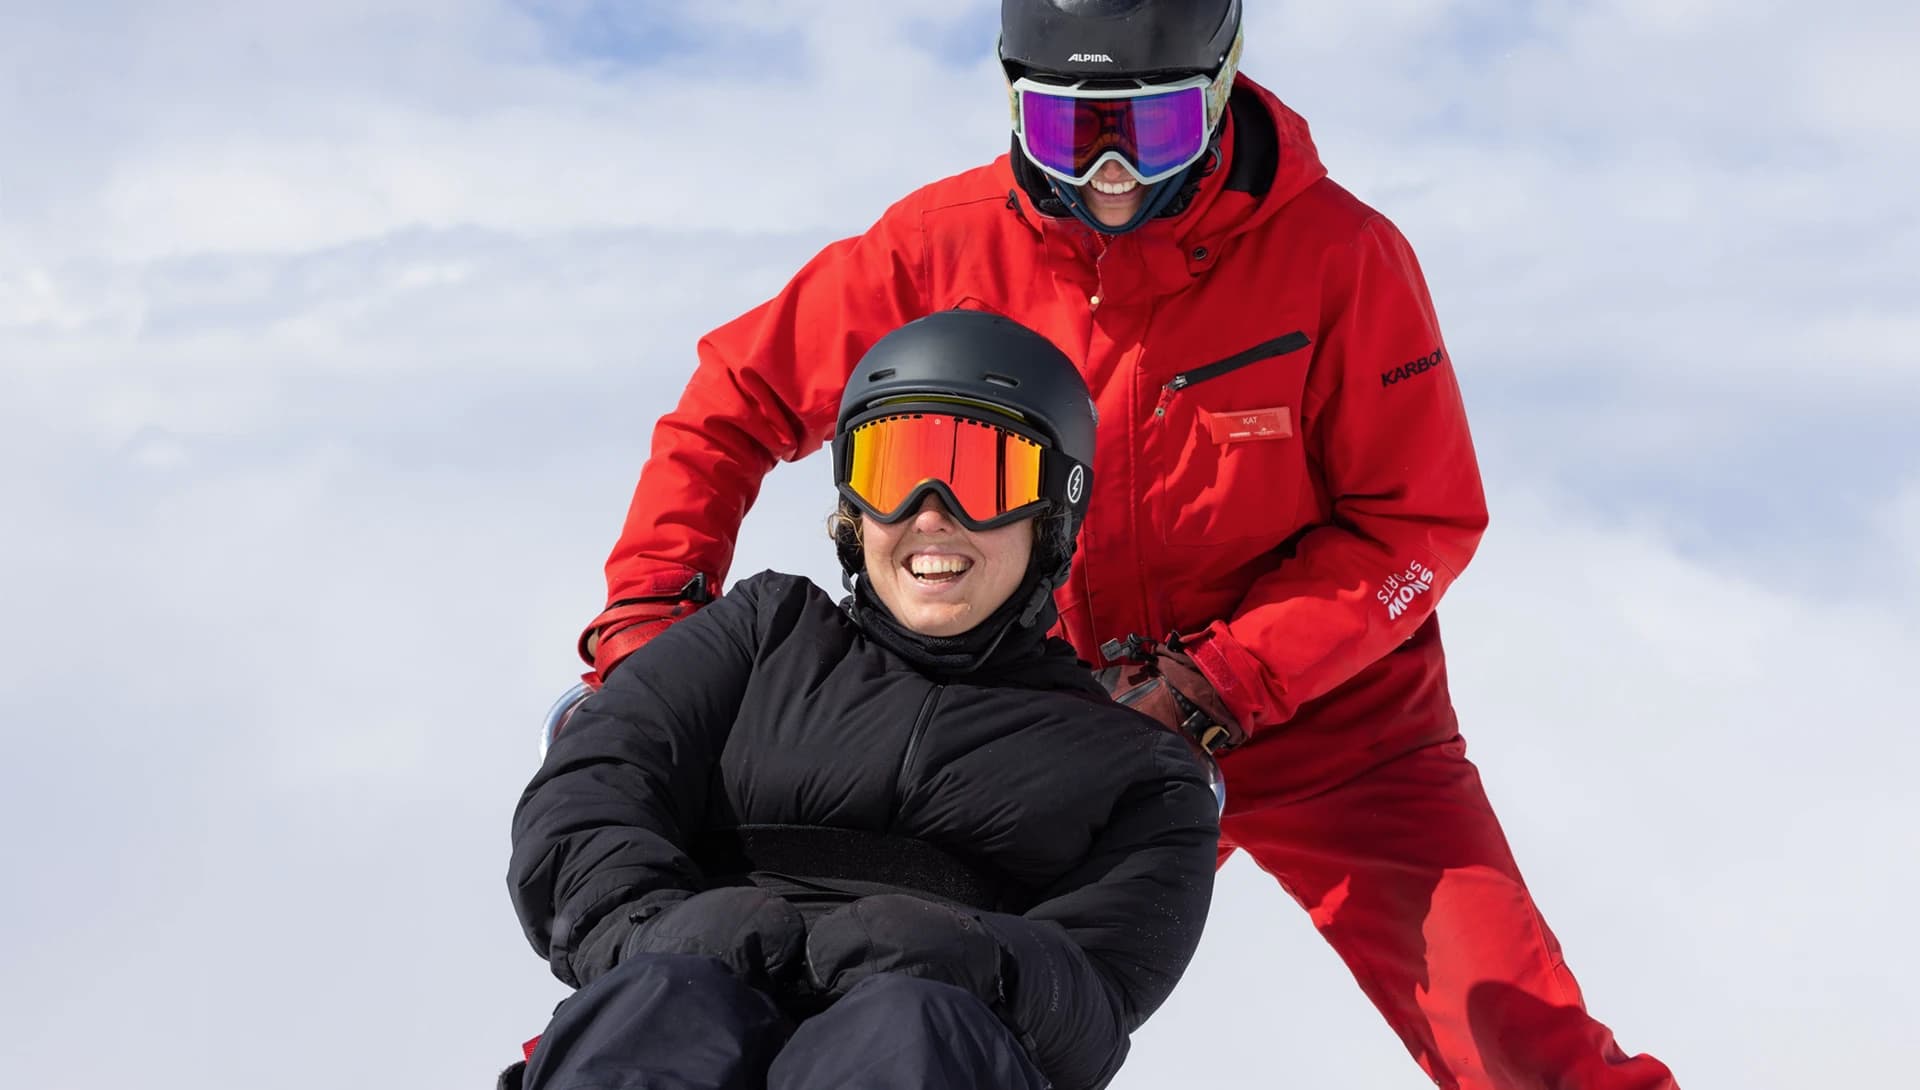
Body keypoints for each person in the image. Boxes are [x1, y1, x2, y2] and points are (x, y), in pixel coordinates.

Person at [567, 3, 1685, 1087]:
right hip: (1052, 724)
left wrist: (1219, 682)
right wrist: (649, 625)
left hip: (1335, 729)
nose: (1112, 177)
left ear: (1222, 89)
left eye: (1152, 132)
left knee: (1514, 1037)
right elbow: (735, 400)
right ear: (1013, 104)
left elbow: (1415, 522)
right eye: (1069, 130)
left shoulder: (1341, 258)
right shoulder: (941, 247)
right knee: (837, 993)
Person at [507, 311, 1221, 1090]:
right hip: (680, 994)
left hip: (931, 1044)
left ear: (1054, 509)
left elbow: (1096, 996)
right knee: (668, 1007)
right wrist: (654, 931)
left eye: (985, 477)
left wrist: (971, 959)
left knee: (910, 1027)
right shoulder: (762, 634)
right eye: (892, 472)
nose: (929, 513)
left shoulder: (1136, 771)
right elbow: (592, 789)